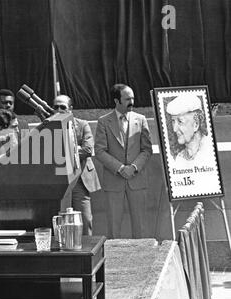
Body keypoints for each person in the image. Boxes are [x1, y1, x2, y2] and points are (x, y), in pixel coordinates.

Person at [94, 84, 152, 239]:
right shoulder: (103, 122)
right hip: (114, 181)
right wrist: (120, 168)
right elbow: (99, 151)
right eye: (127, 99)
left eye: (132, 98)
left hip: (137, 179)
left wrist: (134, 167)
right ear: (116, 101)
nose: (132, 101)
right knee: (114, 228)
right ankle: (114, 260)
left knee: (140, 227)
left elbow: (147, 149)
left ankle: (142, 260)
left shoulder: (141, 120)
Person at [53, 95, 101, 235]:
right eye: (56, 107)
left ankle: (87, 251)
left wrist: (62, 154)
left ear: (71, 109)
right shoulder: (48, 126)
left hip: (80, 179)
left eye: (63, 107)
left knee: (85, 219)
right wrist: (74, 148)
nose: (59, 110)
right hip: (59, 180)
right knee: (60, 221)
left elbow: (87, 150)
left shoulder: (82, 124)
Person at [166, 93, 210, 164]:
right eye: (173, 121)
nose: (174, 129)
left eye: (180, 121)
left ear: (196, 124)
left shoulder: (209, 151)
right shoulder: (180, 157)